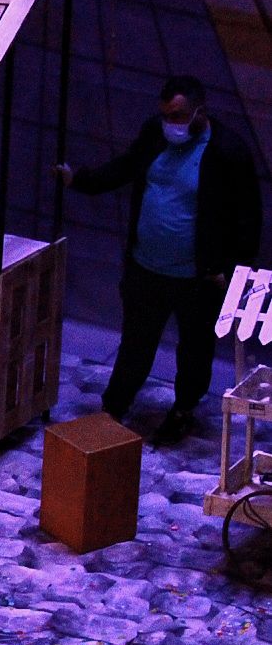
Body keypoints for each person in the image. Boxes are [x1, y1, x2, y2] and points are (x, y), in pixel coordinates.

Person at [60, 75, 263, 444]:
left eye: (179, 115)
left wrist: (230, 269)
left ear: (200, 111)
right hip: (146, 267)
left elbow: (248, 216)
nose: (173, 123)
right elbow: (125, 167)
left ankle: (183, 409)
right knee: (136, 342)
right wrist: (81, 180)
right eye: (167, 115)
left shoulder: (226, 151)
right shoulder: (156, 134)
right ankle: (114, 408)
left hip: (197, 277)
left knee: (195, 348)